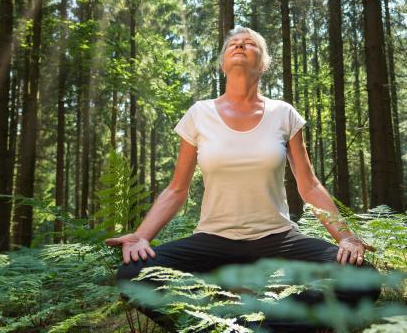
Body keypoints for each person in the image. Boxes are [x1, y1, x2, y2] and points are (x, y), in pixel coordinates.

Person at [106, 26, 380, 332]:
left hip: (278, 238)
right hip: (214, 239)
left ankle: (265, 325)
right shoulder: (200, 114)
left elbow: (309, 184)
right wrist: (142, 235)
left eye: (250, 44)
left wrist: (344, 236)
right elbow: (176, 189)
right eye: (233, 44)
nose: (240, 45)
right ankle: (217, 327)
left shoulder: (283, 113)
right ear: (223, 63)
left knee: (363, 278)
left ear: (262, 63)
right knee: (133, 274)